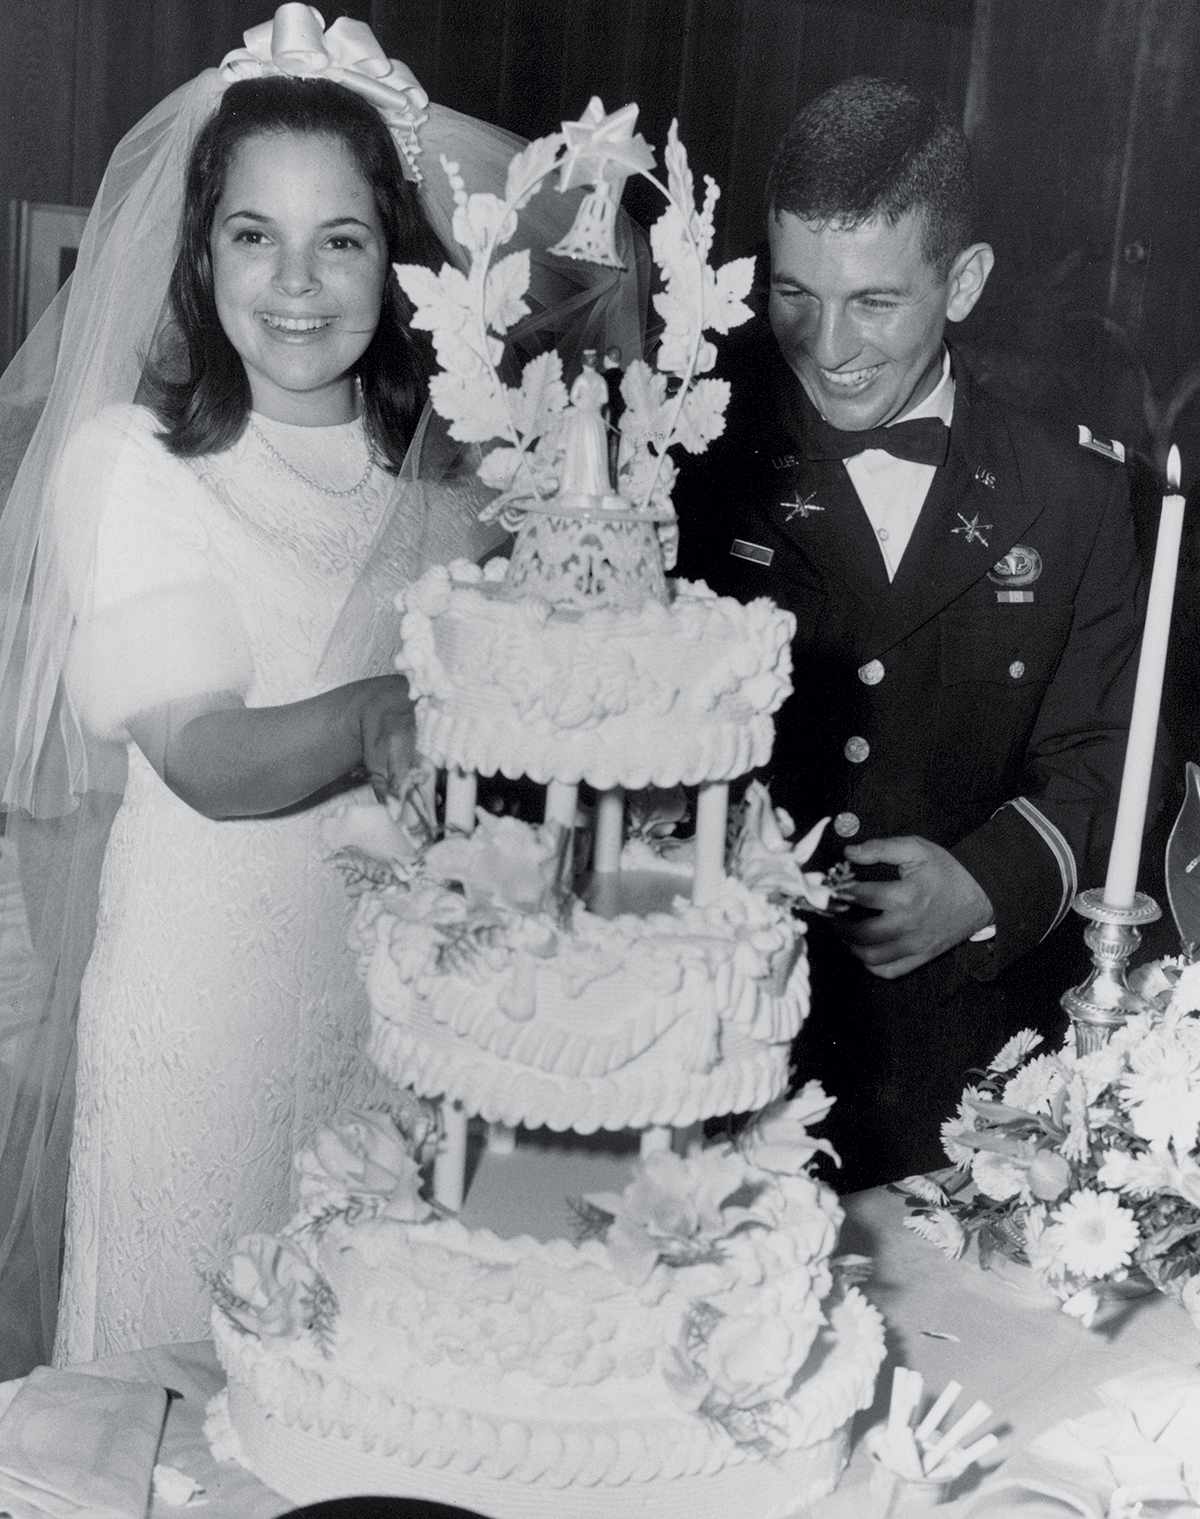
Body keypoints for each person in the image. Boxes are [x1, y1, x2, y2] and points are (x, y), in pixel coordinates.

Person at [0, 8, 645, 1373]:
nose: (296, 282)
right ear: (202, 247)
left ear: (393, 259)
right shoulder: (130, 468)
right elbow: (206, 752)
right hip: (203, 1036)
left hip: (392, 1024)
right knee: (198, 1402)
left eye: (338, 239)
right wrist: (371, 713)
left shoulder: (457, 485)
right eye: (254, 234)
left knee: (371, 1402)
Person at [676, 76, 1154, 1190]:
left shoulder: (1074, 495)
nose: (829, 348)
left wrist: (988, 882)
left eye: (876, 303)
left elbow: (1111, 756)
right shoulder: (696, 457)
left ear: (966, 281)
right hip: (714, 1053)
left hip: (957, 1083)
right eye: (796, 296)